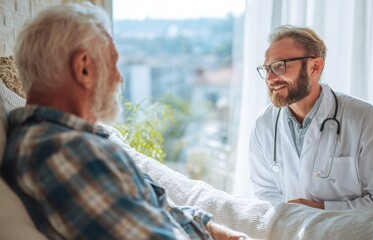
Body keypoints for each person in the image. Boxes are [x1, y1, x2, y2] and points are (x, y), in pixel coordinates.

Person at [0, 2, 249, 240]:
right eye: (112, 62)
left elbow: (153, 208)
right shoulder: (61, 152)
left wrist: (211, 229)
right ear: (83, 68)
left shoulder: (77, 140)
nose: (119, 78)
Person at [249, 25, 373, 210]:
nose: (270, 78)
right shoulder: (264, 123)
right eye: (267, 68)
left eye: (279, 66)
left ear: (314, 67)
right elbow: (265, 194)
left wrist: (322, 211)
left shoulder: (362, 117)